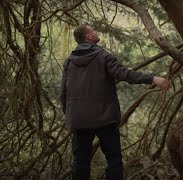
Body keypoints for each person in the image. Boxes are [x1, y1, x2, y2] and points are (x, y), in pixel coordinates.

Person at [59, 25, 170, 180]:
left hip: (79, 119)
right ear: (89, 37)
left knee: (80, 162)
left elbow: (63, 93)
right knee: (114, 160)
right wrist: (153, 78)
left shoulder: (69, 62)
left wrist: (71, 115)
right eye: (93, 31)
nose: (96, 32)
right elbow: (125, 74)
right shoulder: (103, 56)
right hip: (105, 117)